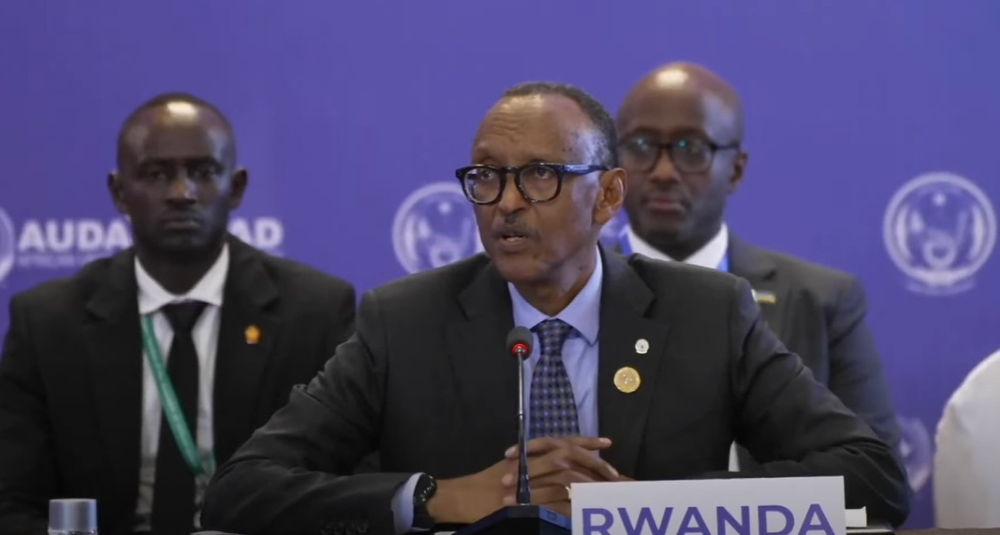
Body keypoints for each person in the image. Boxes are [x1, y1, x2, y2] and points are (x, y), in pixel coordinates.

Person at [200, 82, 911, 535]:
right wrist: (434, 497)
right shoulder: (404, 320)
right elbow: (242, 489)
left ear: (606, 196)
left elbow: (872, 473)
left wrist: (646, 510)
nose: (506, 203)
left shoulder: (708, 313)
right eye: (486, 177)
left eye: (539, 175)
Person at [0, 92, 357, 535]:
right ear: (119, 192)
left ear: (237, 187)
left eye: (203, 172)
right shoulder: (48, 323)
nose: (181, 193)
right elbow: (11, 502)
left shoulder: (315, 311)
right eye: (156, 173)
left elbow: (347, 486)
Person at [615, 62, 901, 470]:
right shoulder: (572, 294)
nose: (663, 172)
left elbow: (877, 474)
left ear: (735, 170)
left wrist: (710, 503)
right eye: (642, 145)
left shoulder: (822, 302)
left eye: (691, 148)